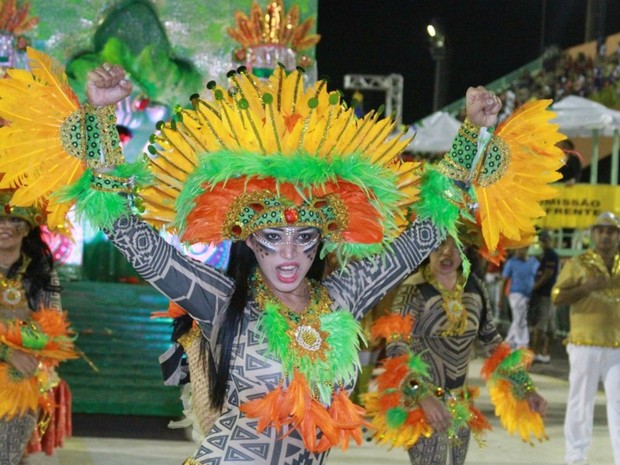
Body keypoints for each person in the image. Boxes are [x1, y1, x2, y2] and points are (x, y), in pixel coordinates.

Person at [0, 49, 565, 464]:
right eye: (272, 238)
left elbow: (420, 237)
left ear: (323, 241)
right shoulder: (221, 300)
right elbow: (133, 238)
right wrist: (101, 118)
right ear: (249, 241)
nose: (290, 253)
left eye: (304, 238)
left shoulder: (341, 296)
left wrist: (473, 133)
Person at [364, 237, 548, 465]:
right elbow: (396, 352)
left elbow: (494, 345)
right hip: (423, 406)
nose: (447, 252)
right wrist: (423, 398)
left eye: (455, 245)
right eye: (439, 244)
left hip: (461, 404)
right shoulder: (413, 290)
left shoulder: (475, 287)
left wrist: (527, 388)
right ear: (426, 248)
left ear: (465, 249)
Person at [0, 191, 74, 465]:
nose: (4, 227)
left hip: (21, 381)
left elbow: (51, 330)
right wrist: (9, 352)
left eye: (12, 219)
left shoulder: (41, 272)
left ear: (27, 224)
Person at [552, 211, 620, 465]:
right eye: (601, 231)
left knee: (619, 404)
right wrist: (586, 288)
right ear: (593, 234)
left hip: (617, 346)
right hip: (583, 344)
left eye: (611, 231)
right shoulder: (578, 263)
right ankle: (575, 457)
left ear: (618, 236)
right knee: (581, 400)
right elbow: (558, 296)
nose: (605, 236)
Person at [530, 230, 560, 363]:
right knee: (548, 325)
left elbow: (548, 273)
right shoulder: (545, 255)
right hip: (547, 293)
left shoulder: (551, 255)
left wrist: (536, 286)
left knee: (542, 325)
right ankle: (544, 353)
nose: (543, 243)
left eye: (545, 240)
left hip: (546, 293)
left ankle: (537, 352)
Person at [502, 247, 539, 349]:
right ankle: (522, 343)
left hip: (528, 295)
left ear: (527, 250)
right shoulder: (511, 262)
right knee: (520, 319)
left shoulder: (534, 262)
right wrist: (501, 298)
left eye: (521, 249)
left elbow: (538, 275)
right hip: (515, 294)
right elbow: (504, 280)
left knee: (518, 318)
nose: (518, 251)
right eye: (517, 250)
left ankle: (509, 341)